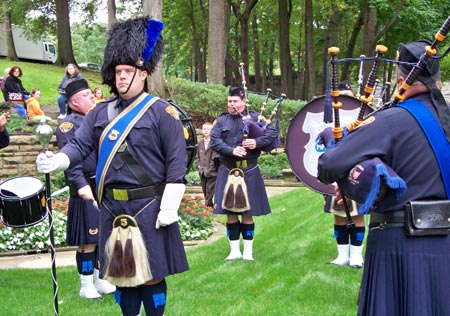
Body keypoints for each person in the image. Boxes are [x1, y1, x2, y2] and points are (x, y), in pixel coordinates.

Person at [36, 17, 189, 316]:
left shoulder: (162, 113)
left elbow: (176, 162)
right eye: (117, 72)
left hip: (149, 204)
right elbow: (79, 146)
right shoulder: (99, 113)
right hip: (110, 206)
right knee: (122, 276)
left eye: (128, 72)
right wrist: (57, 161)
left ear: (142, 74)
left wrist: (170, 206)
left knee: (152, 273)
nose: (121, 78)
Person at [317, 40, 450, 315]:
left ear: (402, 79)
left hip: (398, 245)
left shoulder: (391, 120)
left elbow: (329, 164)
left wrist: (334, 142)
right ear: (437, 79)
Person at [55, 79, 116, 299]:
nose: (91, 97)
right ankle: (86, 284)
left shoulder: (95, 120)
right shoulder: (68, 125)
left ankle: (100, 280)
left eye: (91, 93)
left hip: (101, 186)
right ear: (72, 102)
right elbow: (70, 160)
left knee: (102, 237)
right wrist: (81, 186)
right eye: (86, 94)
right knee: (87, 241)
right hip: (85, 188)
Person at [210, 86, 278, 261]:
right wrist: (231, 150)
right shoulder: (221, 121)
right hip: (228, 169)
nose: (231, 104)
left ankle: (247, 252)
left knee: (247, 212)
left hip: (249, 170)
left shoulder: (256, 118)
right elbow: (215, 141)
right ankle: (234, 251)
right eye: (229, 101)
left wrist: (256, 142)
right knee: (230, 213)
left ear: (244, 101)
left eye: (235, 101)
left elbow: (272, 134)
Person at [323, 81, 365, 268]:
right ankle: (342, 255)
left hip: (357, 172)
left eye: (348, 94)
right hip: (336, 173)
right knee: (339, 214)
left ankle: (356, 255)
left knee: (357, 215)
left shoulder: (364, 118)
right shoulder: (330, 121)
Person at [195, 121, 219, 207]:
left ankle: (207, 207)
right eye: (204, 129)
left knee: (210, 189)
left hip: (212, 172)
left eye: (208, 129)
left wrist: (211, 168)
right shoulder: (199, 143)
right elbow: (197, 156)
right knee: (205, 189)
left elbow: (215, 157)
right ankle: (209, 206)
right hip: (202, 171)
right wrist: (199, 166)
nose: (206, 131)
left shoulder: (214, 143)